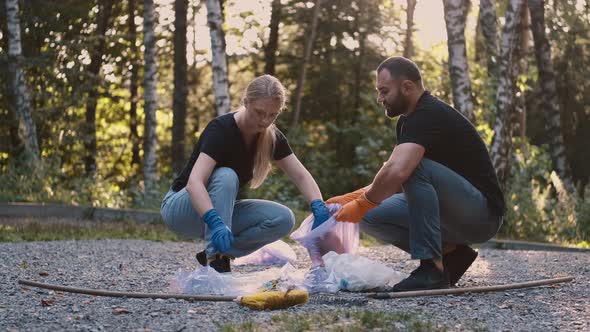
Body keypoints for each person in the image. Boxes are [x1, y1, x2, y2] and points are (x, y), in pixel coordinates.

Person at [324, 57, 505, 291]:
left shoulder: (429, 113)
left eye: (384, 91)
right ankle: (453, 254)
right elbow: (400, 183)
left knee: (410, 166)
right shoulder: (406, 122)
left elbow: (401, 170)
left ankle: (431, 269)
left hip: (482, 215)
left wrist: (362, 202)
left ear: (407, 87)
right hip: (452, 211)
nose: (380, 99)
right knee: (369, 215)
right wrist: (350, 200)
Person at [160, 75, 330, 273]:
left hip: (219, 213)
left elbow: (300, 175)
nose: (265, 121)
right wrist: (215, 221)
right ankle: (217, 260)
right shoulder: (221, 130)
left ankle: (219, 252)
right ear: (246, 102)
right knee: (226, 175)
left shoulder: (272, 137)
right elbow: (194, 183)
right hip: (181, 210)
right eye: (259, 112)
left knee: (284, 218)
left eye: (272, 115)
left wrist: (318, 204)